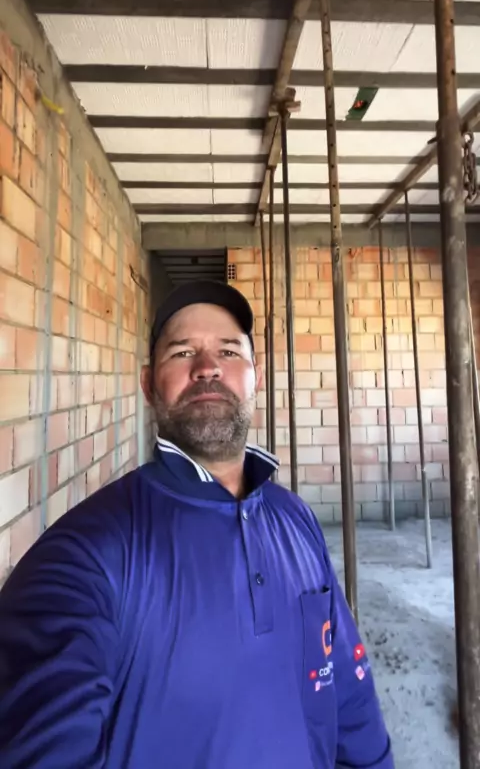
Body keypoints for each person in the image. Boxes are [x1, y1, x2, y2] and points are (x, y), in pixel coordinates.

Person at [0, 280, 394, 769]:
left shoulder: (297, 519)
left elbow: (350, 700)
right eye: (183, 352)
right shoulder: (85, 552)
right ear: (148, 385)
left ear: (256, 378)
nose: (208, 367)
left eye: (229, 351)